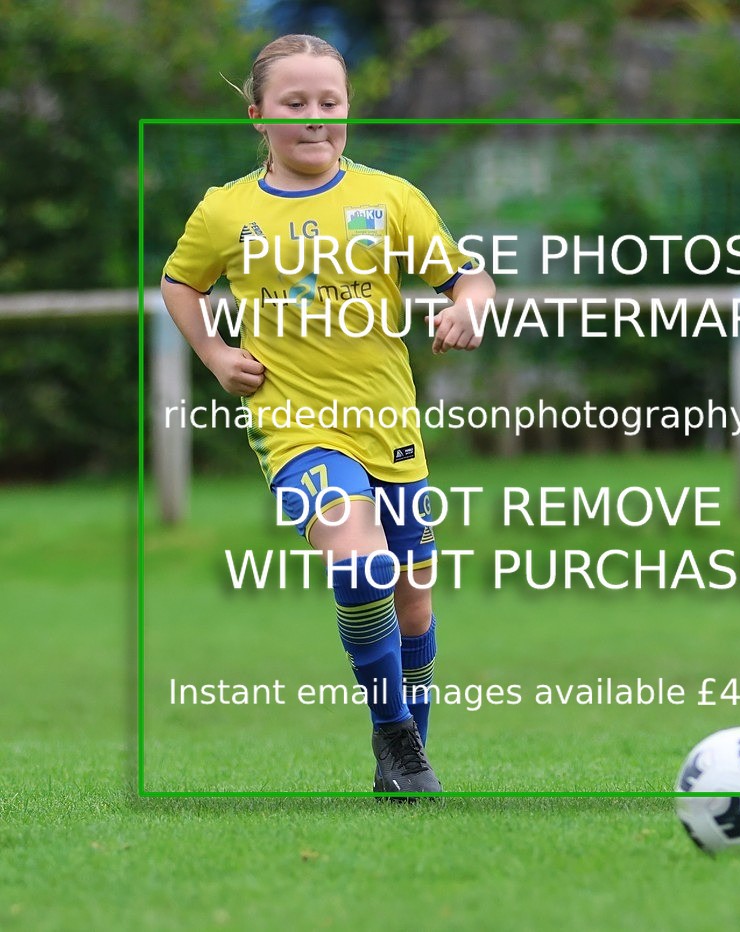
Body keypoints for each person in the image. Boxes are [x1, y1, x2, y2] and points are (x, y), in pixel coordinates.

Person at [161, 33, 496, 797]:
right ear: (258, 115)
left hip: (389, 428)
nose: (315, 118)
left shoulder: (389, 199)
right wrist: (215, 355)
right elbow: (181, 284)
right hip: (296, 428)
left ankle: (407, 760)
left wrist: (468, 310)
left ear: (348, 109)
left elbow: (466, 277)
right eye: (295, 104)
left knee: (412, 598)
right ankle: (393, 732)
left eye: (330, 103)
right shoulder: (226, 212)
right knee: (358, 557)